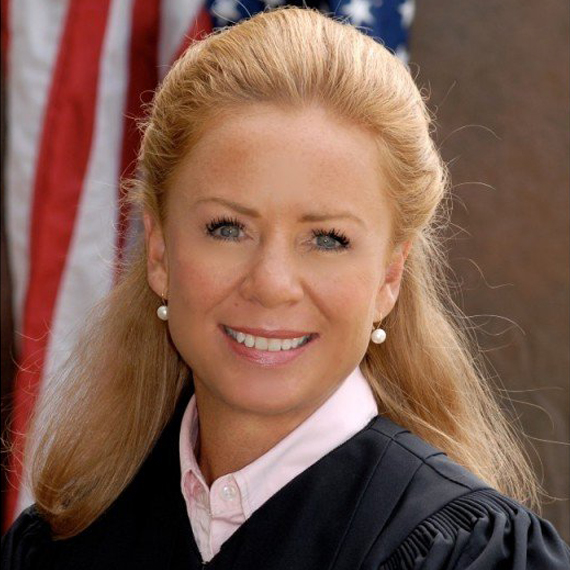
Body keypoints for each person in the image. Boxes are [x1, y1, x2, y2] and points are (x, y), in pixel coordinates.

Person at [2, 6, 569, 569]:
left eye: (327, 239)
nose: (272, 285)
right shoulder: (60, 546)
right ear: (159, 253)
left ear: (390, 276)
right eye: (228, 228)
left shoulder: (467, 556)